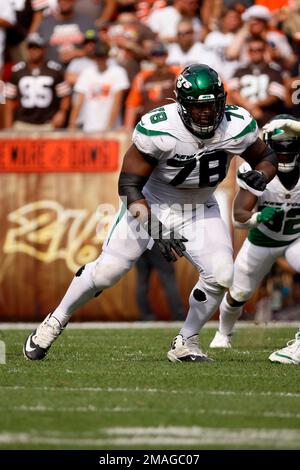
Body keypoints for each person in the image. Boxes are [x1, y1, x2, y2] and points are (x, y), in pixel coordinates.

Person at [23, 64, 278, 362]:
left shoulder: (236, 124)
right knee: (108, 272)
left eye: (211, 105)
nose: (206, 113)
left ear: (222, 100)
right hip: (151, 203)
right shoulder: (159, 128)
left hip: (200, 206)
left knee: (222, 274)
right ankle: (55, 321)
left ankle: (187, 340)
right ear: (182, 105)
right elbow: (129, 184)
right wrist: (155, 228)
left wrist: (263, 174)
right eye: (198, 107)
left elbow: (266, 157)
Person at [210, 114, 300, 365]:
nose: (285, 151)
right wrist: (258, 216)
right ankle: (223, 332)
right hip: (263, 238)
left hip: (295, 238)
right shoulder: (256, 169)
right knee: (238, 292)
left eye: (292, 143)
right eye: (280, 146)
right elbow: (239, 217)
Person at [5, 32, 71, 131]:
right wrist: (8, 126)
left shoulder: (54, 70)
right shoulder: (17, 70)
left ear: (44, 49)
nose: (33, 51)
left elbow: (65, 96)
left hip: (47, 124)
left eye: (37, 48)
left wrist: (62, 112)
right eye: (31, 47)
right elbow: (9, 100)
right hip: (22, 123)